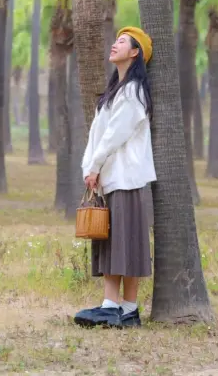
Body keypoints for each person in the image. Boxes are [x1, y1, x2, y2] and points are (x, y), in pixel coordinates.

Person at [74, 26, 156, 329]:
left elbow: (114, 136)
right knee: (116, 241)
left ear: (135, 53)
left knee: (127, 242)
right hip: (111, 177)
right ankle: (116, 307)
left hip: (127, 177)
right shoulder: (115, 92)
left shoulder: (133, 92)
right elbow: (98, 135)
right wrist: (89, 167)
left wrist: (94, 166)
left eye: (121, 42)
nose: (114, 44)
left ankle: (124, 308)